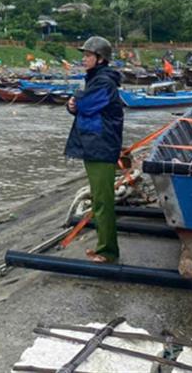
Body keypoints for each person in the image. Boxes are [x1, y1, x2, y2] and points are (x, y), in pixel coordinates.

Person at [65, 35, 124, 263]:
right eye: (84, 55)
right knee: (100, 198)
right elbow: (80, 106)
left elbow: (87, 105)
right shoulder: (96, 80)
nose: (84, 59)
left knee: (102, 200)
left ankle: (108, 251)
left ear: (100, 59)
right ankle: (103, 247)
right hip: (95, 146)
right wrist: (73, 104)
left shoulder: (103, 82)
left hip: (101, 147)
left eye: (88, 55)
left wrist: (75, 101)